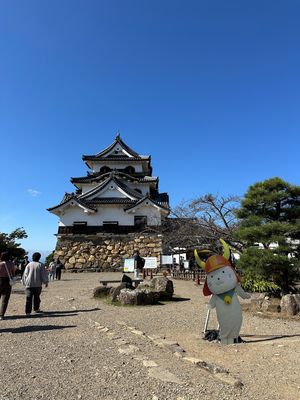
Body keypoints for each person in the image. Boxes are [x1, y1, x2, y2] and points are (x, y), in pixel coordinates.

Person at [0, 252, 16, 320]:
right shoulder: (11, 264)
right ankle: (1, 315)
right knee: (5, 299)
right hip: (7, 281)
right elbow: (13, 273)